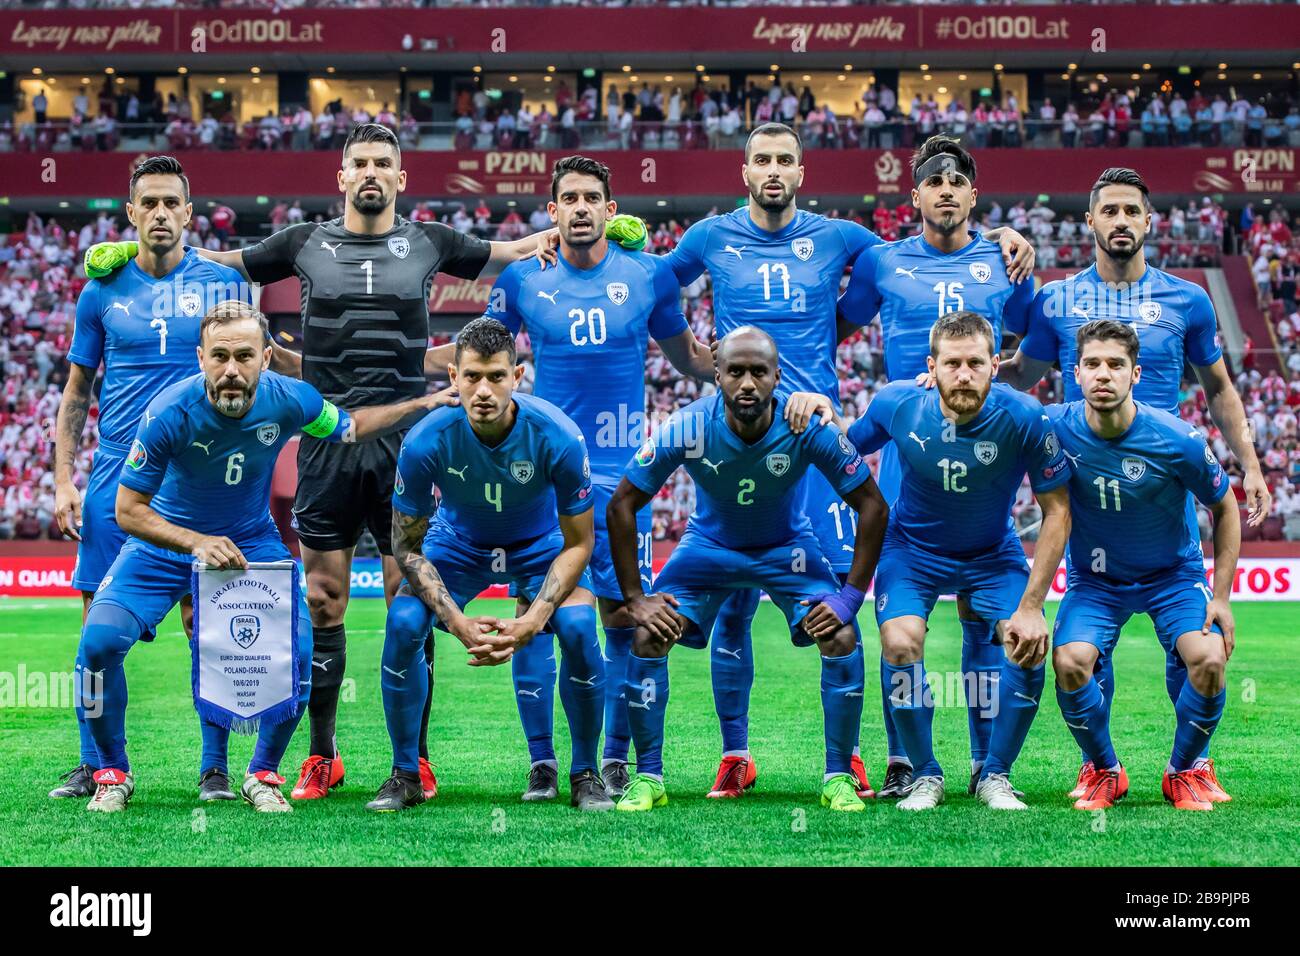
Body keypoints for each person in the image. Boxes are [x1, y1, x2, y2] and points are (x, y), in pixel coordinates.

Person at [83, 123, 570, 803]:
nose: (370, 173)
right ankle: (321, 755)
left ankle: (413, 762)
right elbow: (220, 263)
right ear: (340, 177)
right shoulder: (302, 242)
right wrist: (129, 251)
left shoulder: (428, 239)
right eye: (359, 163)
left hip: (405, 442)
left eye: (383, 164)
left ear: (402, 179)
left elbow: (508, 250)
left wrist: (563, 235)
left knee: (411, 596)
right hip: (325, 438)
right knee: (324, 600)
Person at [639, 121, 1033, 799]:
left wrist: (1000, 238)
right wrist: (692, 359)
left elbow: (909, 267)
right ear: (744, 171)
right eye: (760, 158)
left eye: (784, 159)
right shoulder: (710, 236)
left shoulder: (850, 242)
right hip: (742, 430)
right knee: (732, 607)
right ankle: (736, 753)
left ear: (801, 170)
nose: (771, 169)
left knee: (843, 612)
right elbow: (648, 283)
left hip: (818, 441)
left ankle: (859, 759)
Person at [77, 301, 455, 813]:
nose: (231, 370)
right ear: (201, 358)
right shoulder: (168, 411)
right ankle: (111, 772)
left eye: (244, 356)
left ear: (266, 357)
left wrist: (423, 405)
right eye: (219, 357)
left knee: (299, 654)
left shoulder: (292, 400)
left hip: (249, 544)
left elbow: (350, 427)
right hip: (162, 545)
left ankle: (262, 774)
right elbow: (128, 510)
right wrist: (195, 543)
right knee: (97, 646)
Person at [999, 167, 1268, 801]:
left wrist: (1251, 464)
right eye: (1108, 211)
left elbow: (1220, 389)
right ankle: (1101, 764)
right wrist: (964, 375)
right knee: (1083, 656)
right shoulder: (1056, 302)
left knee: (1197, 652)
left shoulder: (1188, 301)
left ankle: (1190, 766)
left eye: (1131, 211)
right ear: (1088, 223)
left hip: (1159, 481)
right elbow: (1024, 374)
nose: (1120, 221)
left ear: (1149, 223)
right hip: (1088, 493)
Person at [483, 156, 713, 799]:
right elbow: (483, 359)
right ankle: (542, 763)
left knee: (620, 619)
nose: (580, 207)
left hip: (622, 482)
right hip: (543, 476)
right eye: (568, 199)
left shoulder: (649, 275)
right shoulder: (524, 278)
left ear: (611, 211)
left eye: (592, 198)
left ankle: (613, 760)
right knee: (537, 615)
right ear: (550, 212)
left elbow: (688, 357)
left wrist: (743, 365)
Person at [50, 155, 264, 803]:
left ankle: (215, 767)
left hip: (199, 483)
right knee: (96, 631)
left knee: (212, 627)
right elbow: (77, 391)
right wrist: (65, 480)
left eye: (174, 203)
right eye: (151, 203)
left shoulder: (222, 286)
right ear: (132, 213)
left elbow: (252, 375)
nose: (163, 213)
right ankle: (96, 762)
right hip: (118, 478)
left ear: (189, 214)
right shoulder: (101, 291)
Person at [605, 327, 888, 813]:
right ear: (716, 375)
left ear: (778, 376)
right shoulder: (687, 426)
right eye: (735, 371)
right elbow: (622, 504)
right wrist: (635, 597)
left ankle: (839, 774)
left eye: (759, 371)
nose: (748, 383)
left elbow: (873, 506)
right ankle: (648, 777)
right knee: (648, 634)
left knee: (841, 634)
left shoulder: (806, 428)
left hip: (787, 549)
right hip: (708, 549)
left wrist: (850, 598)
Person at [836, 136, 1035, 798]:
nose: (946, 189)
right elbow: (829, 324)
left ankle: (987, 765)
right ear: (914, 195)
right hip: (903, 446)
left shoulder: (1008, 261)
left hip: (975, 443)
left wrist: (1011, 409)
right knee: (901, 623)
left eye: (958, 181)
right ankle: (906, 762)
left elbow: (1041, 340)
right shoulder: (881, 261)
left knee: (985, 621)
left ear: (974, 196)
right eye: (934, 181)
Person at [369, 318, 611, 813]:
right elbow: (406, 548)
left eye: (496, 376)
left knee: (581, 626)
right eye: (472, 376)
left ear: (517, 375)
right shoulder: (424, 441)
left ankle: (585, 773)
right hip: (459, 544)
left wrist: (532, 619)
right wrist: (455, 622)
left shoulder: (558, 435)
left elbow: (579, 544)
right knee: (403, 620)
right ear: (452, 377)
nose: (483, 390)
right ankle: (405, 773)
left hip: (541, 545)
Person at [835, 311, 1071, 810]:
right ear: (932, 366)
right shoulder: (898, 404)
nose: (963, 374)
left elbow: (1058, 512)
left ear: (994, 365)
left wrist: (1032, 606)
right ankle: (925, 774)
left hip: (992, 551)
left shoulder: (1026, 416)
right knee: (899, 643)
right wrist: (816, 411)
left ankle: (996, 775)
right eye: (952, 363)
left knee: (1027, 642)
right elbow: (843, 449)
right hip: (911, 550)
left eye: (975, 363)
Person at [1048, 319, 1240, 812]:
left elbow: (1225, 507)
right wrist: (930, 380)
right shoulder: (1052, 426)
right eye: (1092, 364)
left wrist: (1219, 597)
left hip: (1172, 578)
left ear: (1136, 374)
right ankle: (1104, 770)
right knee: (1070, 662)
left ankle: (1184, 771)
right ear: (1076, 372)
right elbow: (993, 411)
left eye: (1115, 365)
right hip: (1097, 581)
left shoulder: (1177, 439)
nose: (1103, 374)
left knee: (1210, 658)